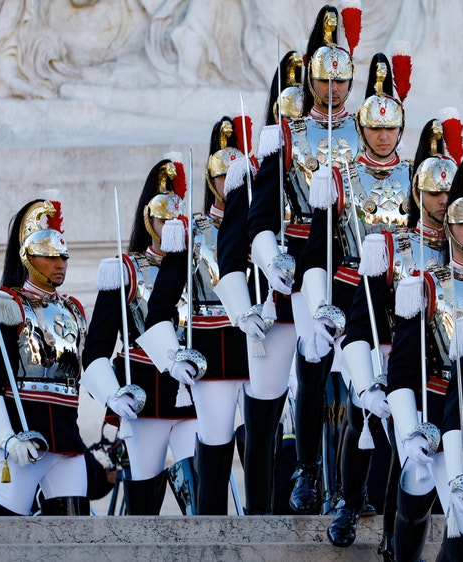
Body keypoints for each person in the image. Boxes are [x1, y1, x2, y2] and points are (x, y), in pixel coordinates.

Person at [246, 4, 361, 514]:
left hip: (358, 267)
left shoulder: (371, 134)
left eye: (342, 81)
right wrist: (272, 259)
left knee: (358, 377)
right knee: (313, 367)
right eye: (325, 80)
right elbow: (261, 215)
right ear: (311, 79)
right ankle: (308, 471)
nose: (334, 90)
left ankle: (350, 489)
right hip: (303, 265)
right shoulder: (286, 135)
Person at [298, 51, 414, 546]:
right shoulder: (339, 180)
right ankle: (346, 498)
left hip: (406, 305)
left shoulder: (419, 181)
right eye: (376, 128)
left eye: (392, 129)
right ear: (363, 129)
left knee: (397, 405)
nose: (384, 136)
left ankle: (382, 501)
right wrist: (321, 301)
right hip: (354, 300)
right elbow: (318, 251)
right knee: (364, 404)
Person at [346, 116, 459, 560]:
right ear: (417, 192)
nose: (443, 200)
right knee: (375, 430)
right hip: (394, 359)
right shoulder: (390, 246)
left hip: (450, 379)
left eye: (451, 191)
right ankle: (347, 502)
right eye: (434, 191)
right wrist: (367, 382)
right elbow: (361, 324)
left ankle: (399, 543)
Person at [136, 116, 258, 515]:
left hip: (263, 344)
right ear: (211, 181)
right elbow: (159, 310)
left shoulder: (269, 226)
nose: (231, 184)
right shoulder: (191, 231)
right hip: (214, 349)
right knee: (216, 444)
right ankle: (211, 531)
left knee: (268, 443)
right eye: (223, 177)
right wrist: (173, 357)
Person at [386, 156, 463, 561]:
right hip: (437, 405)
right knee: (422, 501)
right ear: (449, 228)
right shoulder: (425, 286)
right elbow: (401, 369)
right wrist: (409, 431)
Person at [84, 157, 198, 515]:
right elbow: (96, 350)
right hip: (146, 392)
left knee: (201, 492)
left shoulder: (202, 267)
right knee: (144, 500)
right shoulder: (125, 270)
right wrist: (112, 394)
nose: (171, 228)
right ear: (150, 221)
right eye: (164, 219)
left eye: (178, 220)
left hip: (193, 390)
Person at [0, 194, 91, 515]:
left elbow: (84, 370)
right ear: (28, 256)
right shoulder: (5, 302)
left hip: (67, 440)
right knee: (9, 529)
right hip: (25, 440)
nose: (60, 263)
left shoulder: (74, 310)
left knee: (74, 530)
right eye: (50, 256)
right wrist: (7, 439)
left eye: (63, 256)